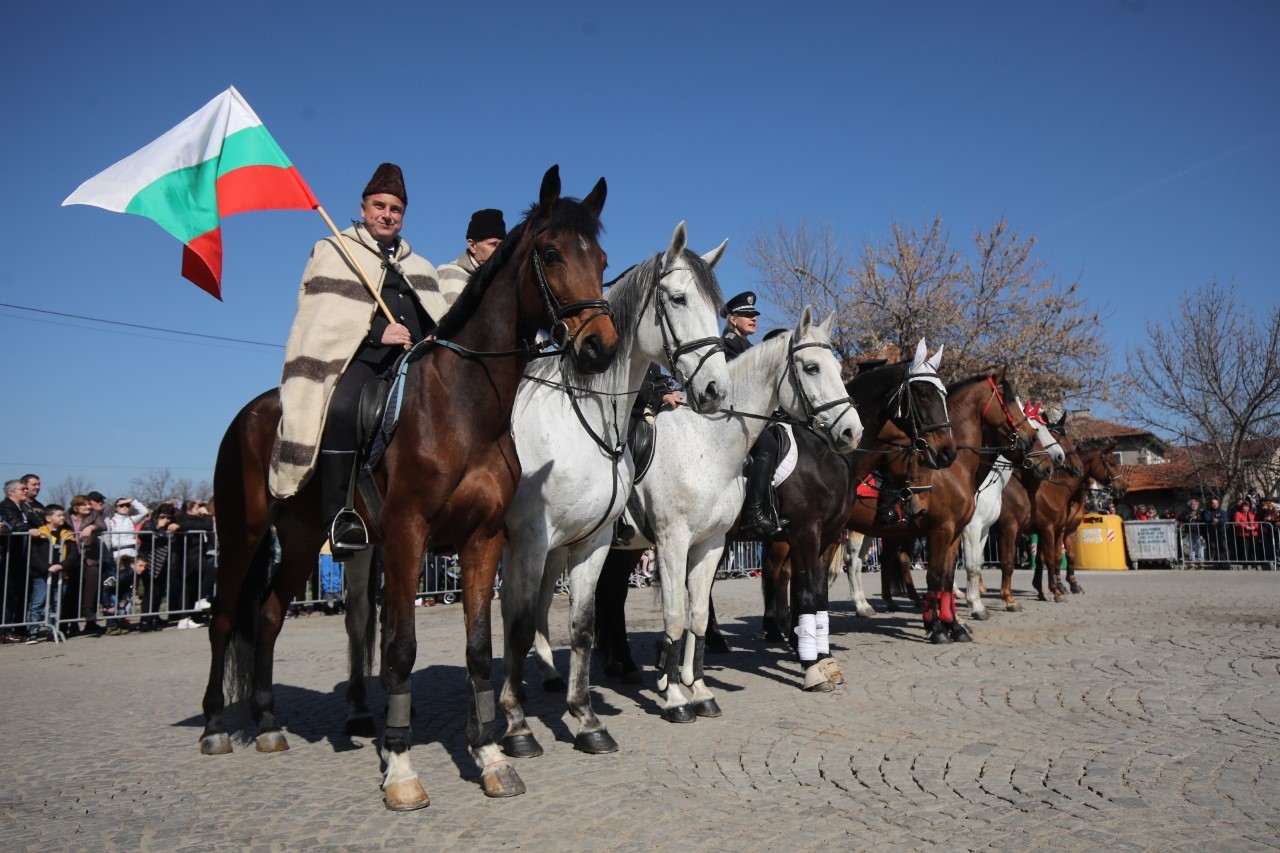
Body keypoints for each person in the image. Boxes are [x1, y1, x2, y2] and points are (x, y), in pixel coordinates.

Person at [271, 163, 463, 559]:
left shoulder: (419, 265)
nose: (387, 214)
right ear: (363, 208)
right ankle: (339, 517)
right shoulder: (336, 251)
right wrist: (378, 334)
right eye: (379, 205)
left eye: (395, 209)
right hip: (360, 360)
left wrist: (432, 334)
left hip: (413, 361)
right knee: (342, 409)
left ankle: (448, 514)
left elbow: (434, 315)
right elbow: (321, 316)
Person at [720, 291, 785, 537]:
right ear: (732, 319)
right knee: (767, 446)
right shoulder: (725, 344)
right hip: (731, 415)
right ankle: (753, 514)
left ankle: (771, 507)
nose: (753, 318)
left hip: (752, 415)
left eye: (754, 314)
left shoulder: (749, 346)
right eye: (747, 315)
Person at [27, 504, 77, 642]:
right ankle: (33, 631)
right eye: (59, 515)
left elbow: (73, 554)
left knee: (57, 603)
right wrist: (46, 567)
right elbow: (33, 555)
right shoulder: (40, 533)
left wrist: (61, 565)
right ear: (48, 518)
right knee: (38, 603)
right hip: (42, 575)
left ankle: (53, 629)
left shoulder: (68, 534)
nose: (62, 517)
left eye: (63, 515)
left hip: (61, 574)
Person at [436, 208, 506, 295]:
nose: (499, 250)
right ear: (472, 246)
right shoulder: (449, 273)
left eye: (501, 245)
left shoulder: (500, 280)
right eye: (493, 244)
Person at [1231, 497, 1260, 565]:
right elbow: (1237, 522)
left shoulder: (1252, 514)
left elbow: (1257, 522)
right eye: (1244, 507)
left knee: (1253, 548)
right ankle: (1245, 562)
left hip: (1253, 533)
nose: (1246, 508)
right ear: (1242, 507)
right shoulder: (1238, 513)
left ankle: (1254, 562)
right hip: (1243, 534)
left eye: (1247, 507)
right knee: (1245, 548)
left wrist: (1254, 527)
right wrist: (1246, 527)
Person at [1179, 498, 1205, 567]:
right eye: (1192, 504)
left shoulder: (1201, 511)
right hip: (1189, 531)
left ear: (1198, 505)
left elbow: (1204, 518)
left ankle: (1201, 561)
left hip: (1199, 531)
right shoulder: (1186, 511)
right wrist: (1188, 517)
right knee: (1191, 547)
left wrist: (1197, 518)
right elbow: (1180, 517)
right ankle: (1192, 560)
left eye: (1195, 504)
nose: (1194, 505)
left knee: (1200, 546)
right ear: (1190, 505)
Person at [1201, 498, 1228, 565]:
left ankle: (1224, 561)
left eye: (1216, 503)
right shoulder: (1207, 512)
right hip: (1211, 532)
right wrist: (1212, 520)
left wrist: (1218, 520)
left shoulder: (1222, 511)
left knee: (1222, 546)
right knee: (1212, 547)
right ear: (1211, 504)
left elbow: (1225, 519)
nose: (1214, 505)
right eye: (1213, 503)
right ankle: (1213, 561)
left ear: (1218, 504)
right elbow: (1206, 519)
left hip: (1220, 532)